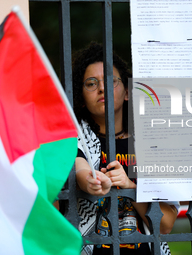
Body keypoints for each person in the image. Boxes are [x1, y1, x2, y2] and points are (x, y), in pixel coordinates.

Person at [73, 42, 179, 255]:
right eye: (91, 83)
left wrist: (129, 187)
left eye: (111, 81)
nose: (102, 88)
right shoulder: (76, 137)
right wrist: (91, 181)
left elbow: (165, 224)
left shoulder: (151, 143)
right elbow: (80, 166)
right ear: (82, 99)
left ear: (128, 92)